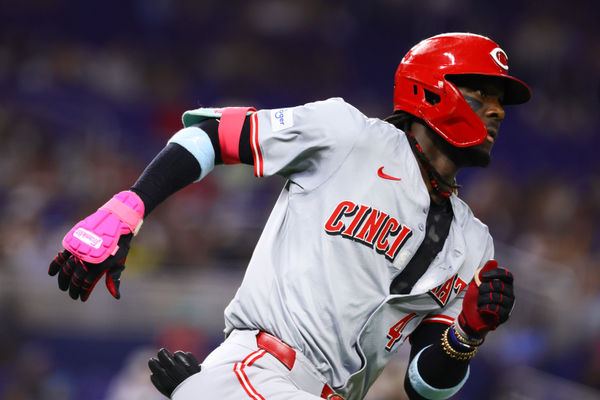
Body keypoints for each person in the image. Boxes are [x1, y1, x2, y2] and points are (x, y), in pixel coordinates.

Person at [48, 32, 530, 400]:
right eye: (480, 93)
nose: (497, 112)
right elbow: (210, 135)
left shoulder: (474, 243)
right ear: (431, 91)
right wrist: (127, 209)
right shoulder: (348, 134)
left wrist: (467, 335)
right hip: (264, 367)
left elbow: (424, 388)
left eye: (500, 102)